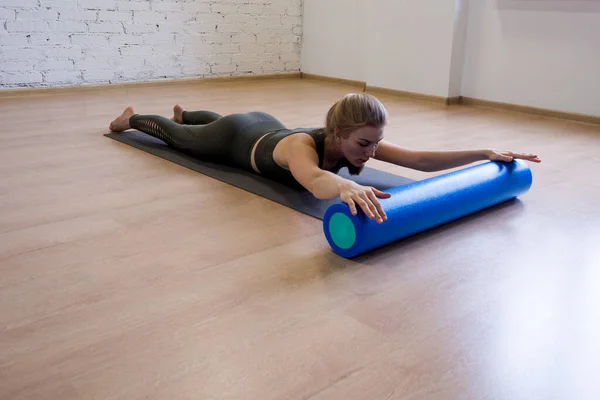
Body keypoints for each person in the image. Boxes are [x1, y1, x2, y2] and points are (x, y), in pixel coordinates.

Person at [108, 93, 541, 224]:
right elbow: (315, 182)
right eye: (364, 145)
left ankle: (193, 112)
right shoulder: (302, 147)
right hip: (236, 135)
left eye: (376, 143)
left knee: (208, 123)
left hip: (262, 117)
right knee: (183, 138)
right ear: (337, 134)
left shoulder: (355, 140)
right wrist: (347, 184)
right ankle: (132, 118)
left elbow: (418, 159)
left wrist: (482, 152)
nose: (371, 153)